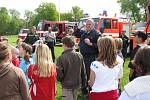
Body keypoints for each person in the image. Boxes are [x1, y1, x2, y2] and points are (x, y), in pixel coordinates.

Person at [56, 36, 87, 100]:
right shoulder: (79, 55)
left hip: (66, 86)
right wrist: (84, 84)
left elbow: (59, 75)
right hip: (77, 84)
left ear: (64, 45)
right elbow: (83, 72)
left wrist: (60, 79)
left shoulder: (61, 58)